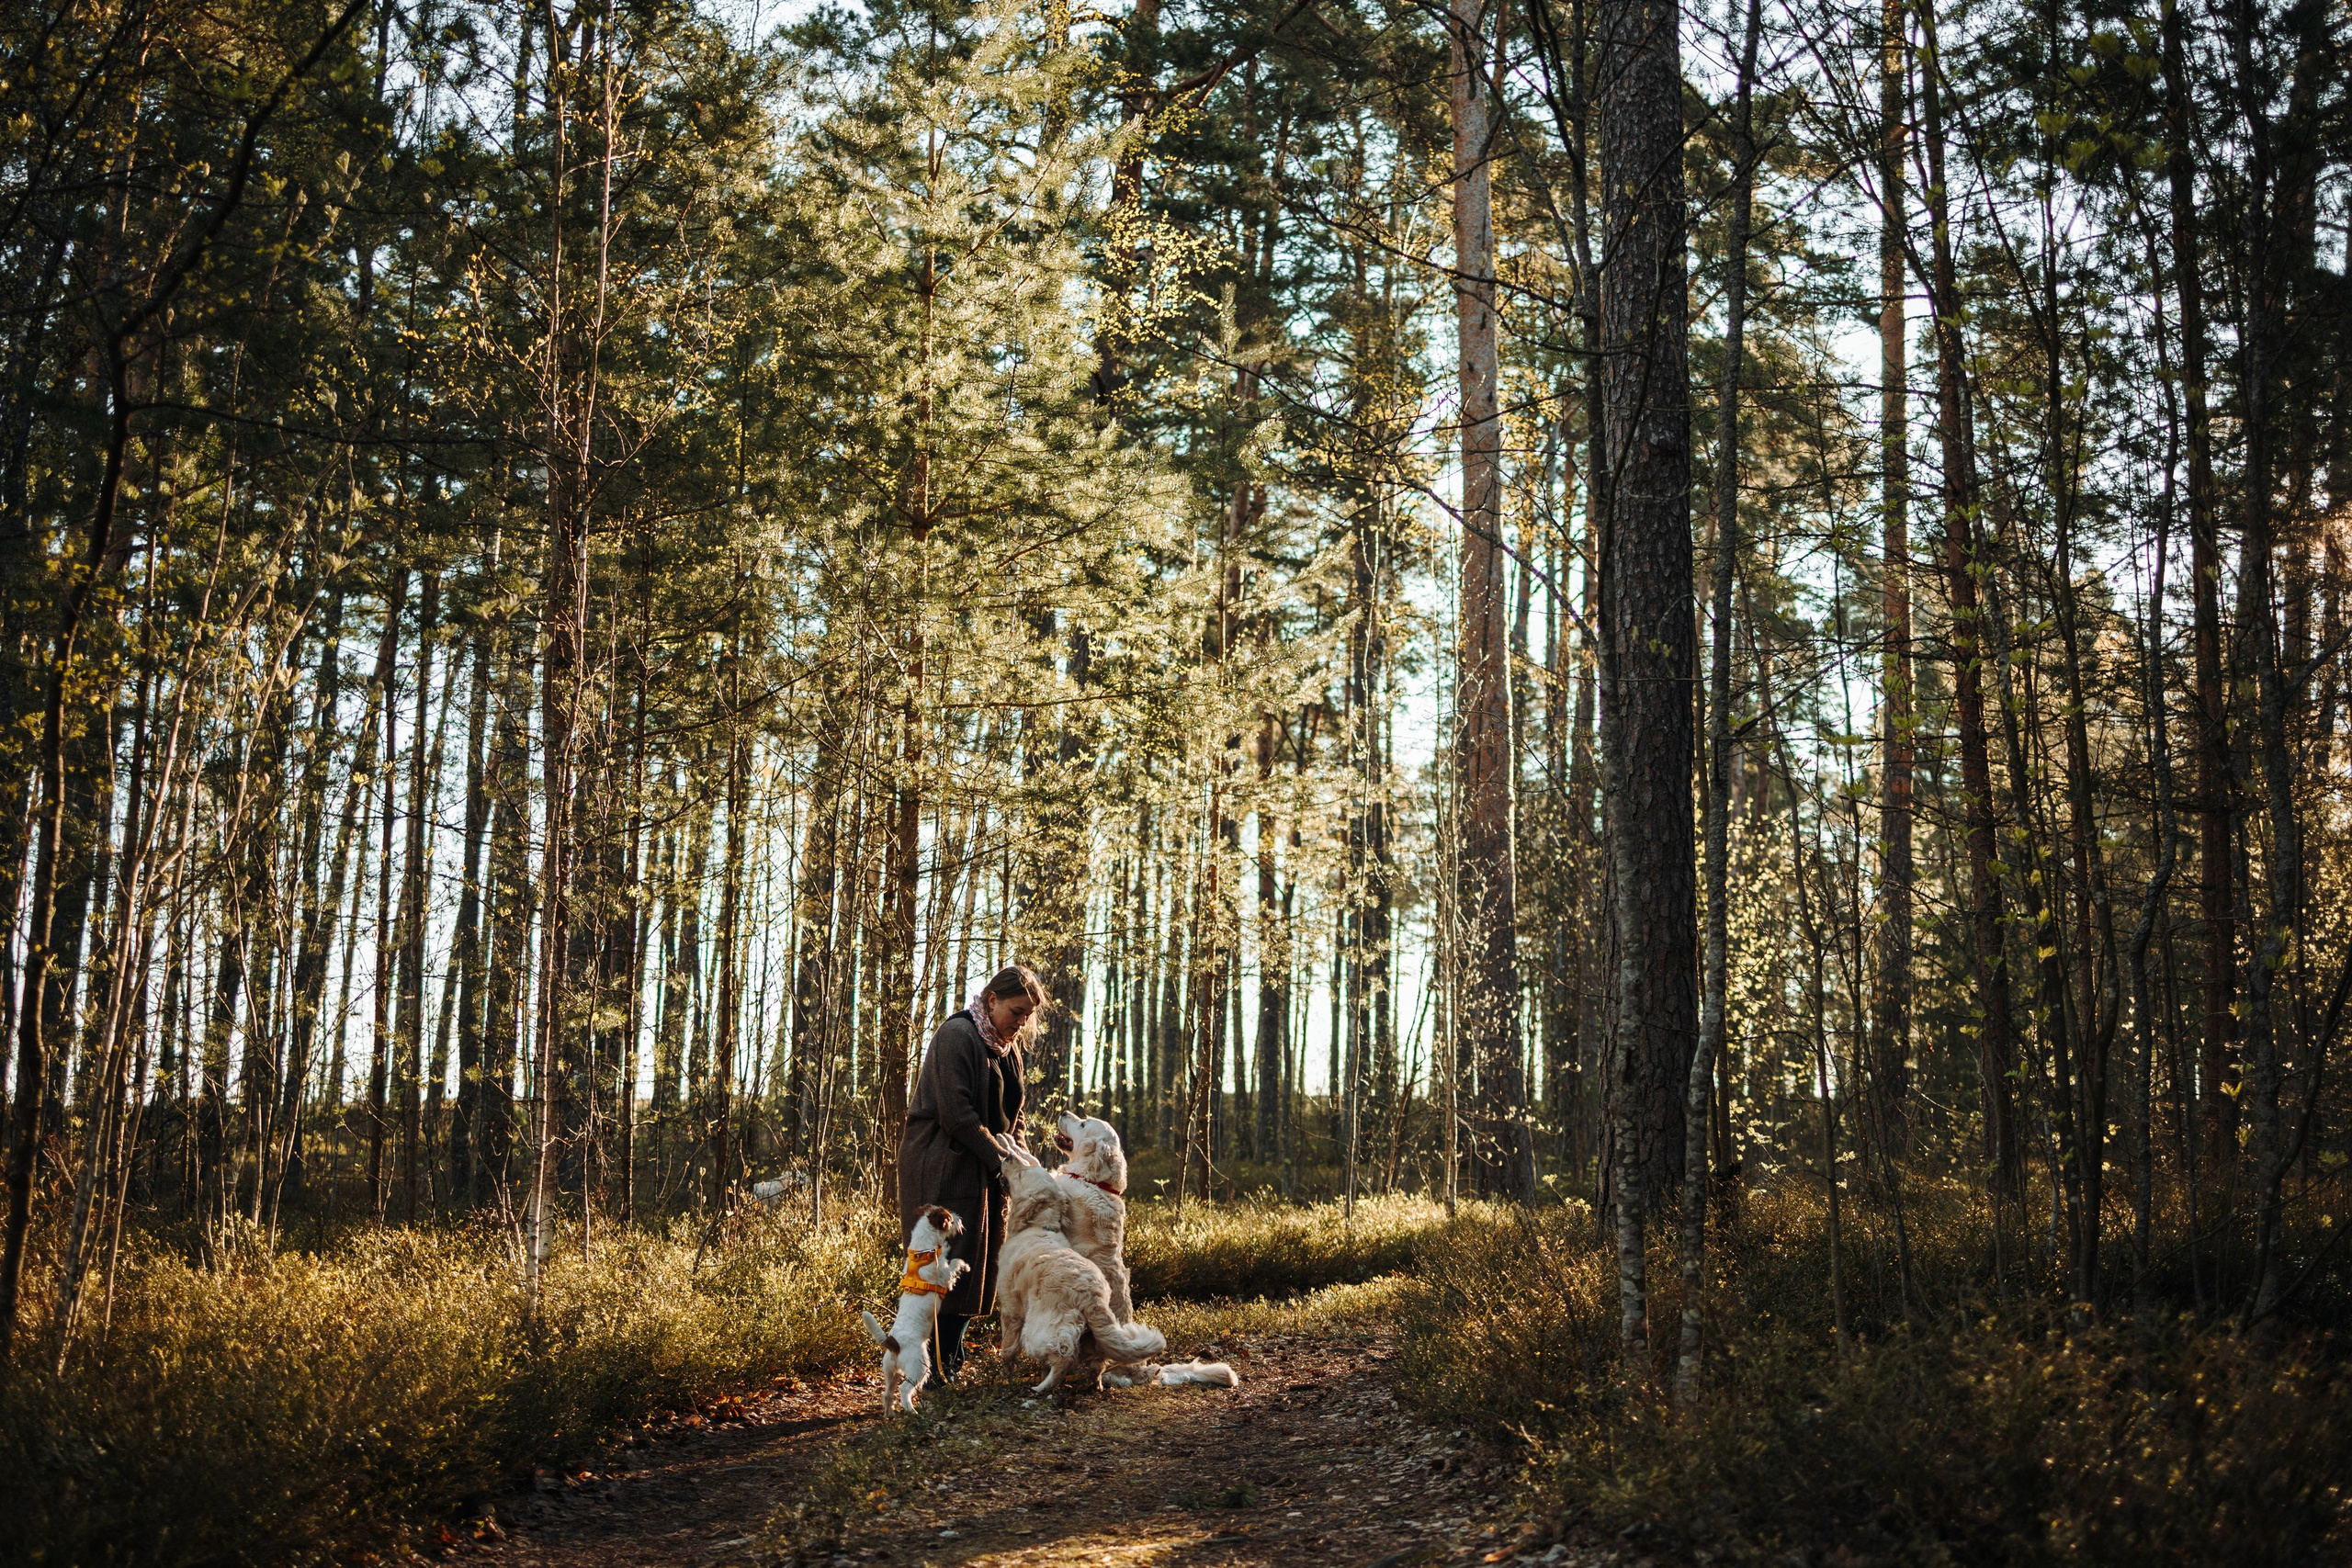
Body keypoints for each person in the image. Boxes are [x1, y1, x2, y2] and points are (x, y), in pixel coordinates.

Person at [897, 964, 1043, 1382]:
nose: (1021, 1022)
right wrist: (1003, 1161)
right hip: (942, 1163)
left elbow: (1014, 1119)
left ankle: (949, 1358)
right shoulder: (957, 1036)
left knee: (981, 1264)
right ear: (991, 1000)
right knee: (945, 1262)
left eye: (1027, 1016)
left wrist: (1024, 1167)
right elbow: (957, 1115)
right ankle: (934, 1364)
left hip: (984, 1164)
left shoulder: (1005, 1048)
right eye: (1016, 1011)